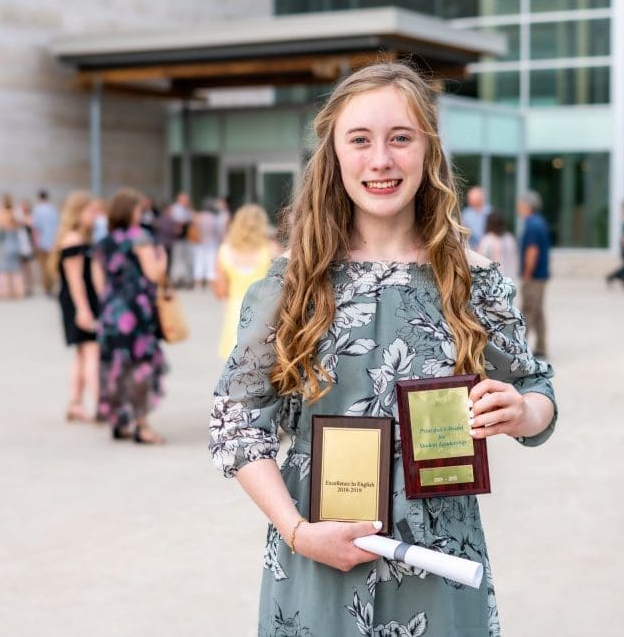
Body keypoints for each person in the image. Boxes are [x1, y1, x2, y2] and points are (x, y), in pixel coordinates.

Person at [209, 63, 557, 637]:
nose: (381, 160)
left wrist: (521, 413)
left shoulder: (476, 281)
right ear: (334, 154)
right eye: (360, 140)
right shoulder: (288, 285)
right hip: (317, 562)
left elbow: (537, 390)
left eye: (400, 138)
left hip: (440, 571)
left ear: (428, 151)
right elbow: (236, 424)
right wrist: (296, 531)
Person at [95, 188, 168, 444]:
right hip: (137, 313)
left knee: (116, 366)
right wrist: (162, 260)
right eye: (139, 209)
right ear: (130, 211)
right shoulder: (140, 237)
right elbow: (153, 274)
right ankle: (142, 425)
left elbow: (98, 283)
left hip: (111, 314)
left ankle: (119, 421)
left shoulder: (104, 241)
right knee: (141, 367)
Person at [50, 192, 102, 423]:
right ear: (78, 213)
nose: (95, 216)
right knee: (92, 352)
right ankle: (101, 404)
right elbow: (75, 280)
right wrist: (83, 310)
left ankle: (75, 403)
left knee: (82, 354)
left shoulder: (79, 238)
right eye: (91, 211)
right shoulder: (73, 240)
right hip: (80, 302)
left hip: (82, 301)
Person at [214, 204, 274, 360]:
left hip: (235, 312)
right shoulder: (270, 250)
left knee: (235, 363)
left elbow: (220, 291)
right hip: (265, 311)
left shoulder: (224, 252)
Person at [518, 190, 551, 358]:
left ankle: (521, 346)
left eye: (521, 204)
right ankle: (541, 346)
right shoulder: (539, 222)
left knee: (528, 310)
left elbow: (532, 251)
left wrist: (526, 274)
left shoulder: (532, 224)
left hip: (534, 276)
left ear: (527, 206)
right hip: (541, 275)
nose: (518, 207)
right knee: (537, 311)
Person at [0, 194, 25, 299]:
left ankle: (5, 292)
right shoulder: (15, 213)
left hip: (7, 244)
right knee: (17, 270)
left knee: (5, 271)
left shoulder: (2, 214)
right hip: (16, 244)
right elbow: (23, 223)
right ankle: (19, 292)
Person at [476, 212, 518, 282]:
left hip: (494, 281)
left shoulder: (487, 240)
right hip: (511, 279)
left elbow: (479, 261)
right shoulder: (510, 238)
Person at [32, 190, 60, 296]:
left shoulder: (37, 210)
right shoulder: (53, 209)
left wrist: (35, 243)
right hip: (53, 242)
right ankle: (52, 287)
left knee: (44, 267)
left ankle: (47, 288)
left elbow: (36, 229)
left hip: (42, 242)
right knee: (52, 266)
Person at [192, 197, 221, 289]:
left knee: (199, 262)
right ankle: (209, 284)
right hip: (212, 243)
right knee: (211, 263)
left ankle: (198, 284)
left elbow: (194, 229)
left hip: (199, 243)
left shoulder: (198, 217)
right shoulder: (214, 218)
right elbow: (217, 232)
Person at [168, 192, 194, 287]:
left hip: (185, 238)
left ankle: (184, 279)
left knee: (185, 260)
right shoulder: (176, 209)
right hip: (177, 239)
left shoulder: (186, 209)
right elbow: (178, 222)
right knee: (177, 259)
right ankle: (176, 279)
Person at [460, 186, 491, 250]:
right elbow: (463, 232)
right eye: (470, 198)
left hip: (488, 248)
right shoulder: (466, 214)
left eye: (474, 198)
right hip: (472, 249)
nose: (470, 200)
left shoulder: (489, 212)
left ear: (481, 198)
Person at [17, 199, 37, 296]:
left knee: (29, 268)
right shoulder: (18, 218)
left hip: (28, 246)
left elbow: (33, 232)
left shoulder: (30, 218)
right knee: (22, 268)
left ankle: (30, 287)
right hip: (20, 246)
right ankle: (23, 287)